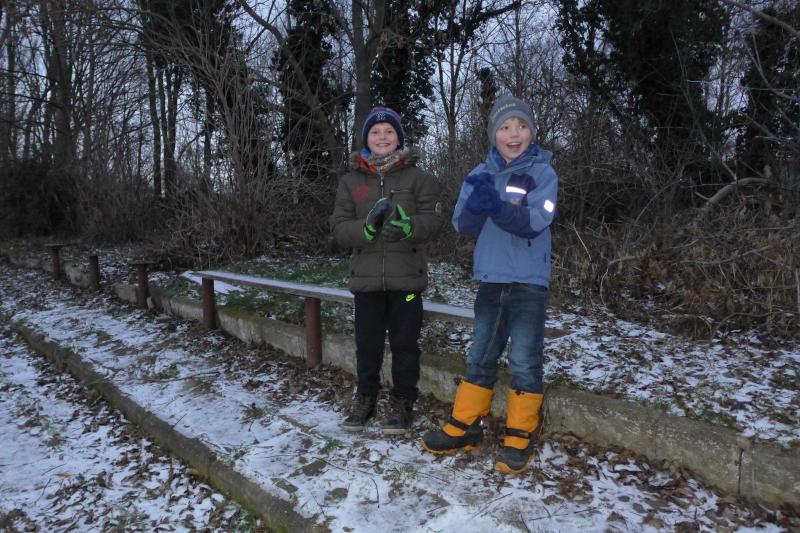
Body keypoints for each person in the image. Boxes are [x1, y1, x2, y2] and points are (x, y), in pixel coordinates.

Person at [421, 95, 558, 474]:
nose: (513, 134)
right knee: (480, 353)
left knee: (524, 359)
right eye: (505, 127)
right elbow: (462, 225)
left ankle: (520, 435)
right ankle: (466, 426)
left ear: (532, 132)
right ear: (493, 134)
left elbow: (537, 220)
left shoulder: (543, 173)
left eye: (521, 126)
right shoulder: (479, 174)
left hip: (529, 283)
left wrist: (498, 208)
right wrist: (476, 206)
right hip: (491, 281)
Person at [330, 106, 443, 435]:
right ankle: (365, 398)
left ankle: (403, 401)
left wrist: (410, 228)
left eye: (389, 131)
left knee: (405, 343)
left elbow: (433, 221)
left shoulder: (420, 179)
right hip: (367, 284)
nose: (382, 137)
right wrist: (365, 230)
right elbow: (338, 227)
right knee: (367, 344)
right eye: (375, 132)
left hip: (407, 285)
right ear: (366, 138)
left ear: (399, 138)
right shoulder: (350, 182)